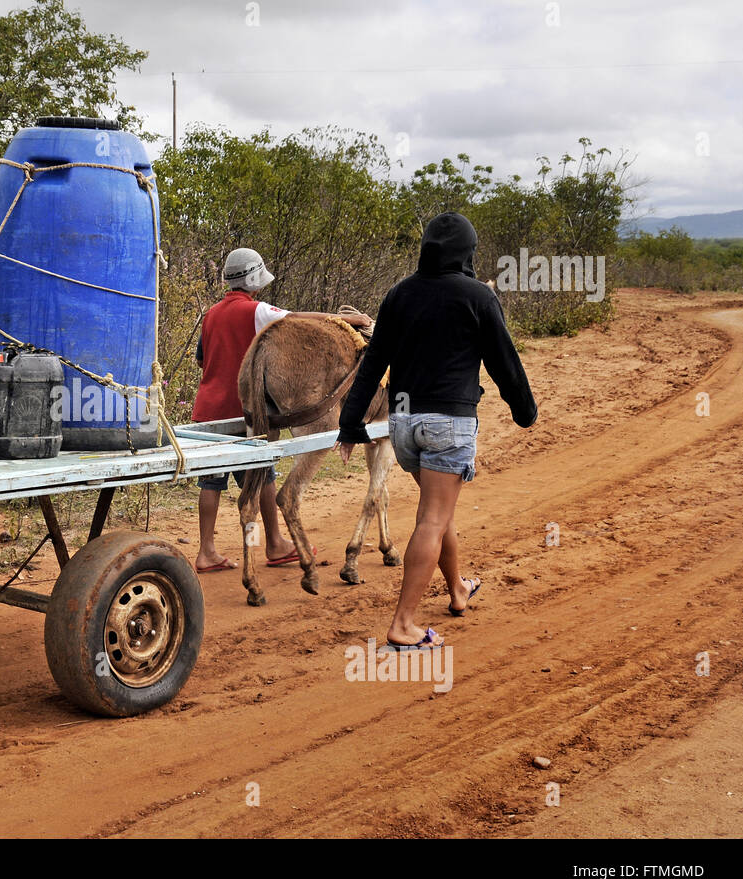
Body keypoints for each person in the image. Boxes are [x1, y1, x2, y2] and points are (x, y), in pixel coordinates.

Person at [337, 213, 537, 649]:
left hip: (404, 424)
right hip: (448, 424)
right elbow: (505, 363)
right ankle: (403, 625)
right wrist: (525, 411)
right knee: (432, 517)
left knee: (437, 511)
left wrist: (350, 423)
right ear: (468, 252)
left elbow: (373, 364)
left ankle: (457, 590)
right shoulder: (478, 297)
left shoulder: (398, 295)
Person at [193, 248, 372, 573]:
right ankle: (274, 543)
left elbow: (202, 360)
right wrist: (348, 320)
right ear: (253, 281)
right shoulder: (256, 310)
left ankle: (207, 551)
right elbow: (298, 319)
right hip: (243, 408)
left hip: (207, 410)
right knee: (262, 477)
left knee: (212, 484)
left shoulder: (211, 314)